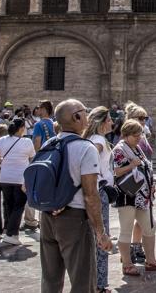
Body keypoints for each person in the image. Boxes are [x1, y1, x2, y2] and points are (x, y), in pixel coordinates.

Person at [39, 99, 111, 293]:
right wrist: (100, 231)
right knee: (83, 281)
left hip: (47, 218)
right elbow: (90, 194)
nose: (87, 115)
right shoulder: (85, 148)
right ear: (76, 117)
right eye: (84, 112)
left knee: (50, 280)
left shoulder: (49, 143)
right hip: (74, 219)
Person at [112, 118, 156, 276]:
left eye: (139, 135)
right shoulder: (119, 150)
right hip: (127, 196)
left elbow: (144, 168)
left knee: (150, 227)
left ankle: (151, 260)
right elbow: (116, 171)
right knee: (126, 230)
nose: (138, 138)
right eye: (135, 135)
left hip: (143, 197)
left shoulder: (136, 149)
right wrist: (131, 165)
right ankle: (127, 264)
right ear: (126, 135)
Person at [82, 106, 115, 293]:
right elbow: (90, 155)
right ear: (102, 123)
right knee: (102, 236)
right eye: (109, 119)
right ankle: (99, 285)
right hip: (98, 191)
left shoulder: (92, 139)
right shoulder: (98, 140)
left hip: (97, 190)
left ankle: (94, 283)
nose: (112, 122)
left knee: (94, 238)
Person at [0, 118, 36, 245]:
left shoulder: (2, 140)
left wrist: (1, 160)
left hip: (5, 178)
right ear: (22, 128)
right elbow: (32, 158)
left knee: (10, 205)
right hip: (20, 178)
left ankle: (12, 233)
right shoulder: (27, 141)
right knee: (19, 206)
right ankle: (11, 234)